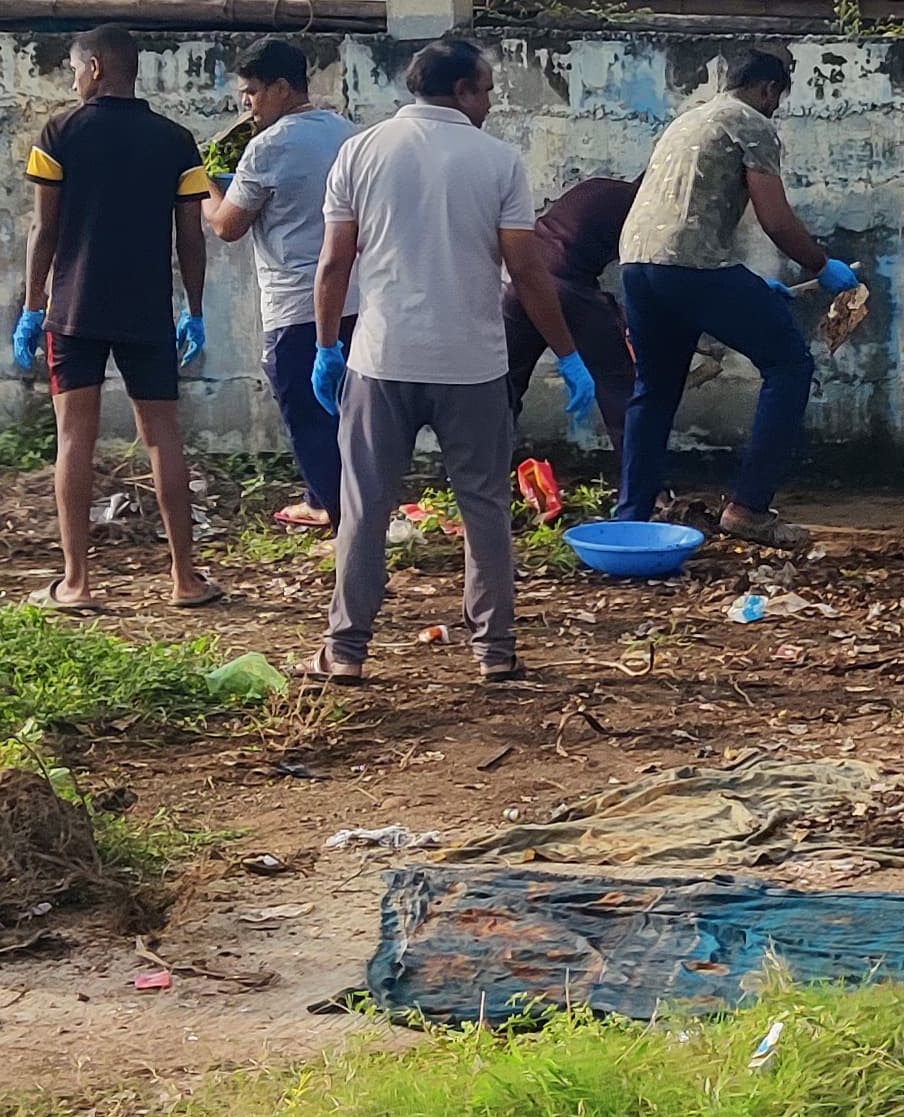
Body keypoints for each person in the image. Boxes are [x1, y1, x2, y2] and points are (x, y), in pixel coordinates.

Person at [309, 39, 594, 686]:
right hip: (472, 364)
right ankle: (494, 651)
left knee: (365, 507)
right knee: (484, 507)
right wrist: (570, 354)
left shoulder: (360, 150)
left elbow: (333, 263)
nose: (490, 102)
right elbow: (526, 269)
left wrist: (327, 346)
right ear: (462, 90)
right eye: (486, 90)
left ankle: (346, 649)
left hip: (381, 359)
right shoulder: (496, 161)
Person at [611, 51, 858, 549]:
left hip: (637, 264)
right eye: (777, 99)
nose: (775, 108)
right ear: (769, 89)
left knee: (654, 390)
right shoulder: (751, 123)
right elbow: (776, 219)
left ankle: (631, 515)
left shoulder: (688, 120)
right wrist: (820, 266)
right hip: (695, 266)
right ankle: (749, 508)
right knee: (789, 364)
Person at [12, 26, 219, 611]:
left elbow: (43, 230)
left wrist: (33, 305)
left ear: (97, 68)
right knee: (162, 440)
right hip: (148, 311)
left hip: (73, 312)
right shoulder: (177, 142)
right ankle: (185, 579)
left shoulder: (59, 134)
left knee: (74, 440)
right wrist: (195, 310)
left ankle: (75, 583)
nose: (73, 79)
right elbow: (191, 239)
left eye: (75, 68)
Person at [203, 38, 355, 530]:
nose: (245, 103)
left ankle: (343, 526)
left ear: (282, 88)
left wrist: (199, 183)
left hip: (296, 305)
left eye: (251, 92)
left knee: (307, 415)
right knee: (349, 414)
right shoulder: (347, 134)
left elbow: (228, 225)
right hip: (356, 298)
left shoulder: (268, 147)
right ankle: (323, 500)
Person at [505, 174, 638, 425]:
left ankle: (484, 460)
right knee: (619, 386)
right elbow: (641, 275)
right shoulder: (642, 209)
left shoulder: (598, 186)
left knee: (505, 386)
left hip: (521, 285)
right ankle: (637, 461)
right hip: (567, 286)